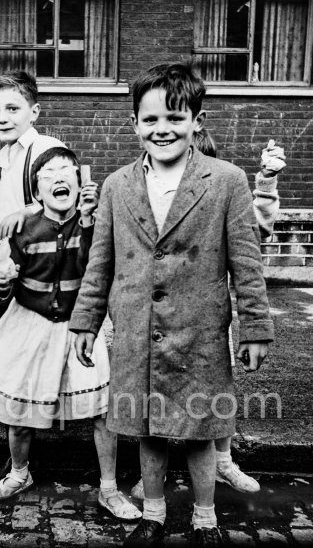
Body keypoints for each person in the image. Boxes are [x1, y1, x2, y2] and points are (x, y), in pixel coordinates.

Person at [70, 63, 274, 546]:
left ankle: (205, 520)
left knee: (202, 429)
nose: (163, 129)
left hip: (200, 331)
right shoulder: (118, 186)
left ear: (196, 121)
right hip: (138, 330)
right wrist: (85, 322)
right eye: (151, 120)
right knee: (147, 430)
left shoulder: (226, 181)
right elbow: (100, 263)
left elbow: (246, 261)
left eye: (176, 119)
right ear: (134, 123)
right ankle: (154, 515)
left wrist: (256, 328)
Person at [0, 147, 141, 522]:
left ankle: (109, 489)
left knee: (102, 410)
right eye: (48, 175)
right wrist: (0, 284)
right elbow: (0, 292)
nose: (58, 177)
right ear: (37, 192)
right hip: (29, 323)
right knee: (20, 405)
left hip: (82, 327)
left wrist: (92, 218)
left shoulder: (96, 226)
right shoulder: (23, 230)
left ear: (81, 183)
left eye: (67, 171)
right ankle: (19, 473)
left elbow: (102, 266)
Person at [129, 131, 286, 500]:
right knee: (157, 392)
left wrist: (266, 180)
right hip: (158, 320)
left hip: (206, 321)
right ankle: (155, 473)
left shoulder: (222, 189)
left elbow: (254, 233)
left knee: (214, 395)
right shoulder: (147, 193)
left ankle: (223, 461)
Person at [0, 70, 67, 487]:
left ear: (35, 111)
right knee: (9, 368)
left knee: (32, 369)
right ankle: (18, 463)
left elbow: (69, 189)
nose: (2, 117)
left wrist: (29, 211)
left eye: (13, 108)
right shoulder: (5, 156)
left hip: (40, 279)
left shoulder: (45, 148)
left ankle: (24, 464)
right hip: (9, 271)